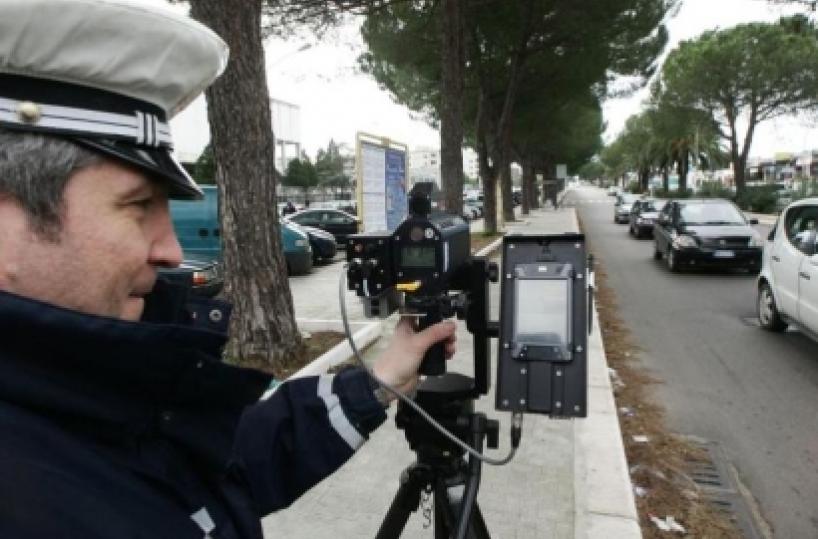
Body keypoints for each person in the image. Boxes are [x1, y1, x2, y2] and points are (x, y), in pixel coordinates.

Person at [0, 1, 456, 538]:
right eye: (137, 205)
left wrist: (380, 379)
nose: (170, 248)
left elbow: (220, 466)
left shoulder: (83, 388)